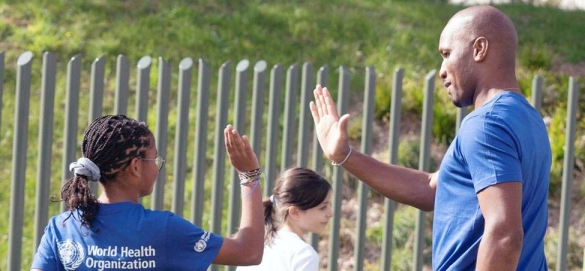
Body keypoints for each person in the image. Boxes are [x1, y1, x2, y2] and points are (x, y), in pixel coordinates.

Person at [310, 5, 550, 271]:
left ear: (479, 49)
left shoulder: (486, 125)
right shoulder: (528, 119)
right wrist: (344, 156)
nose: (442, 70)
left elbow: (504, 234)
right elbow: (432, 188)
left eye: (447, 54)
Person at [31, 115, 264, 270]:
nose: (158, 165)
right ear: (136, 166)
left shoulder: (61, 228)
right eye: (156, 159)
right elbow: (249, 252)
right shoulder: (164, 229)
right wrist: (249, 175)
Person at [237, 167, 333, 271]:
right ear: (295, 212)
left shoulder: (258, 246)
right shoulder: (303, 254)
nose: (330, 213)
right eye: (323, 207)